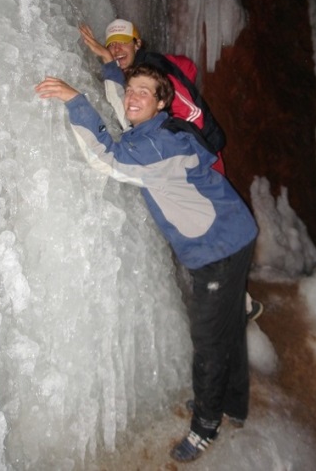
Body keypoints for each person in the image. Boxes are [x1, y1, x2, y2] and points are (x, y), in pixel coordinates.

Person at [35, 64, 259, 462]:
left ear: (161, 103)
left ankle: (206, 425)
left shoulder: (158, 146)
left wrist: (75, 100)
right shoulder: (159, 130)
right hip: (233, 234)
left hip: (219, 248)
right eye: (130, 90)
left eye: (143, 92)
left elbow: (108, 159)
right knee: (227, 326)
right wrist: (110, 65)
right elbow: (126, 117)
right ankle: (233, 404)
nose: (132, 97)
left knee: (209, 339)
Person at [79, 19, 263, 323]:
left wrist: (185, 146)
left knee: (207, 227)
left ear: (138, 45)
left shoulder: (156, 73)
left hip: (192, 155)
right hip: (173, 154)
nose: (116, 48)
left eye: (123, 42)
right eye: (111, 43)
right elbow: (124, 108)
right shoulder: (138, 78)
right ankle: (237, 302)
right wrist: (108, 62)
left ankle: (231, 307)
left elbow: (190, 111)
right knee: (199, 227)